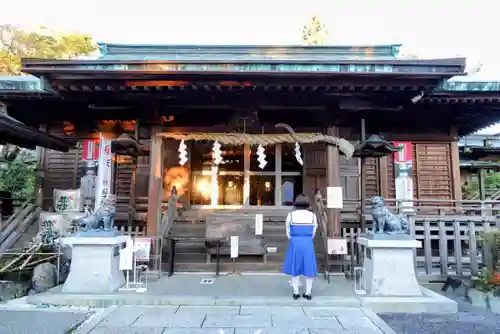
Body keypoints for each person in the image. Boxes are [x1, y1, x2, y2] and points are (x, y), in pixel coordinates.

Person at [282, 193, 318, 300]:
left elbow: (287, 230)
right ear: (307, 203)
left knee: (295, 267)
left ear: (296, 203)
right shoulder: (312, 216)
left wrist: (293, 238)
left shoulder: (291, 215)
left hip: (295, 242)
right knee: (309, 268)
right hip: (307, 242)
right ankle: (308, 292)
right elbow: (314, 231)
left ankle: (296, 292)